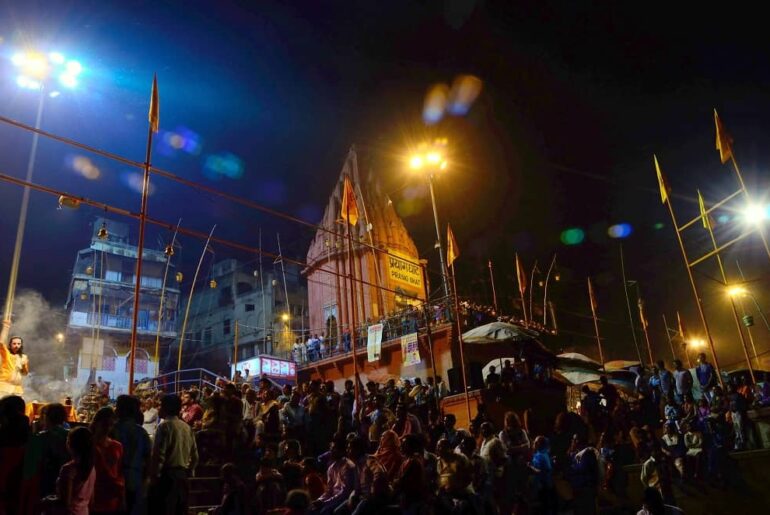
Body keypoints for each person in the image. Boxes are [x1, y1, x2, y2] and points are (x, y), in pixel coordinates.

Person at [149, 394, 199, 515]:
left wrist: (153, 478)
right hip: (182, 477)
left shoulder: (164, 426)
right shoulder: (187, 427)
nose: (159, 409)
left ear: (166, 408)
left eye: (161, 406)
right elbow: (195, 457)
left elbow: (159, 456)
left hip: (167, 478)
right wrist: (189, 471)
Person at [113, 395, 152, 515]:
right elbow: (149, 460)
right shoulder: (142, 432)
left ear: (120, 410)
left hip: (113, 480)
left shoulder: (113, 430)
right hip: (135, 479)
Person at [89, 407, 125, 515]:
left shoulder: (117, 446)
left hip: (112, 497)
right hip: (94, 497)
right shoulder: (89, 445)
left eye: (110, 425)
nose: (107, 428)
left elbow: (120, 473)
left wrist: (122, 498)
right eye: (104, 424)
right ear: (96, 423)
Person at [55, 427, 96, 515]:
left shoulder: (68, 469)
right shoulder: (92, 468)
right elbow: (91, 501)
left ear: (70, 444)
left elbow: (66, 503)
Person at [312, 437, 356, 514]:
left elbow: (345, 492)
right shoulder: (331, 467)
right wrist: (320, 500)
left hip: (344, 499)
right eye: (331, 449)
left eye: (334, 449)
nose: (331, 451)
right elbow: (329, 490)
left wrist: (325, 502)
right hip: (333, 499)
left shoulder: (348, 466)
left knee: (325, 511)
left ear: (342, 450)